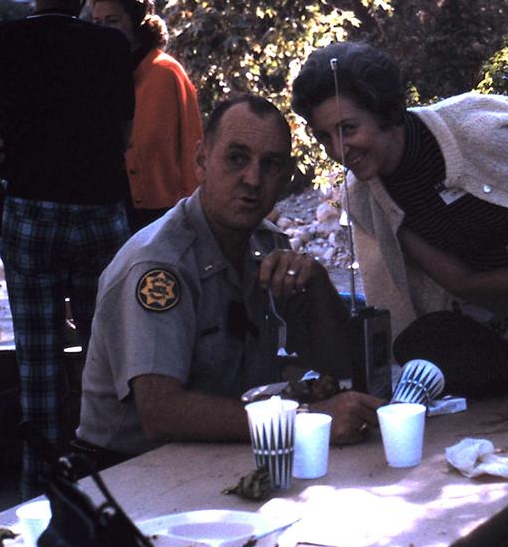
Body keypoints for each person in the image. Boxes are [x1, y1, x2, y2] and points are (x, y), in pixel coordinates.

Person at [74, 95, 382, 469]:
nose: (253, 179)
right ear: (202, 161)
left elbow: (339, 367)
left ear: (286, 177)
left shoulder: (267, 245)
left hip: (227, 452)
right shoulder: (159, 266)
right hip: (128, 470)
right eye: (237, 158)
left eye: (271, 165)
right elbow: (161, 413)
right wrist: (304, 420)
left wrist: (318, 286)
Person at [289, 41, 508, 348]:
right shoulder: (368, 197)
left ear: (386, 111)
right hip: (491, 334)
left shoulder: (480, 130)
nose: (338, 150)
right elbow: (460, 281)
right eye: (324, 137)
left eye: (348, 129)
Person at [0, 0, 136, 497]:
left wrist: (6, 160)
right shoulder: (110, 46)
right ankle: (111, 481)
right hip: (98, 211)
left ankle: (40, 489)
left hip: (30, 209)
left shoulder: (1, 39)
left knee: (38, 359)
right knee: (106, 349)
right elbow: (124, 134)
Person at [90, 0, 204, 233]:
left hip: (164, 214)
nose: (103, 30)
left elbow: (192, 147)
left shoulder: (166, 72)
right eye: (97, 22)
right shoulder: (98, 74)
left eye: (112, 21)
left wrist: (196, 218)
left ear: (136, 22)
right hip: (110, 211)